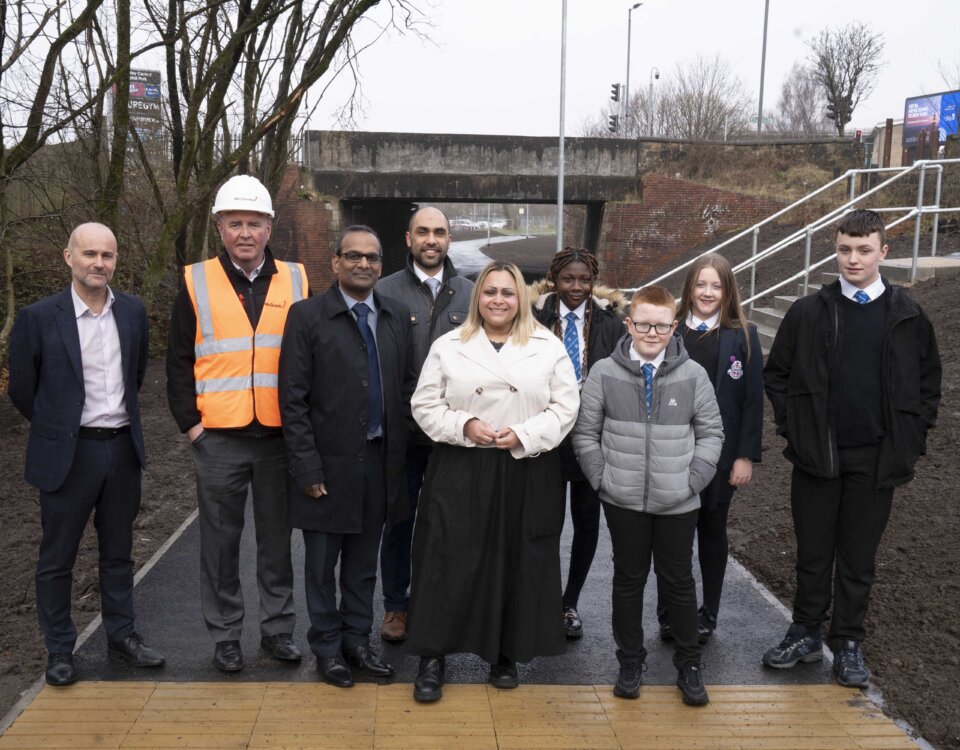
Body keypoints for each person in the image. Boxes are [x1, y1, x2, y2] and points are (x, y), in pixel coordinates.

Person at [762, 209, 941, 688]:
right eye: (844, 249)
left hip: (877, 459)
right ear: (835, 250)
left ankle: (848, 642)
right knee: (813, 551)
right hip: (818, 455)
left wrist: (913, 438)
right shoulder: (808, 312)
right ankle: (804, 633)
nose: (853, 259)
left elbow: (929, 385)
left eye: (864, 250)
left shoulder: (907, 315)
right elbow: (776, 375)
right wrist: (793, 427)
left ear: (884, 252)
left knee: (859, 556)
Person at [406, 261, 580, 702]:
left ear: (520, 297)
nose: (498, 300)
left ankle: (505, 651)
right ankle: (433, 655)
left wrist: (524, 433)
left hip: (524, 465)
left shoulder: (548, 345)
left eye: (507, 292)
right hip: (461, 464)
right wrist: (464, 425)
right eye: (489, 292)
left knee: (515, 558)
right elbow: (424, 405)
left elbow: (566, 407)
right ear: (476, 298)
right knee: (445, 560)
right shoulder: (449, 344)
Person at [8, 222, 165, 686]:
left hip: (120, 451)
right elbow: (22, 389)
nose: (99, 263)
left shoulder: (133, 312)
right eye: (90, 254)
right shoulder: (38, 318)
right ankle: (60, 650)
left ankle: (122, 635)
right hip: (66, 456)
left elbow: (135, 377)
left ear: (116, 261)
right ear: (68, 257)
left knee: (119, 552)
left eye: (108, 255)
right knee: (57, 558)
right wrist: (57, 428)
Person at [166, 175, 309, 672]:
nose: (244, 233)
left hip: (276, 437)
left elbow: (309, 357)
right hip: (218, 439)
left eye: (253, 223)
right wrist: (192, 427)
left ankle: (278, 631)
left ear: (269, 227)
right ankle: (226, 635)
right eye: (234, 224)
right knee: (220, 543)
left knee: (276, 542)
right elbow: (178, 359)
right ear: (220, 228)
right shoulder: (195, 279)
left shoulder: (297, 279)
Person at [573, 285, 723, 707]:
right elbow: (586, 433)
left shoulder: (693, 375)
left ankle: (689, 664)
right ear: (629, 324)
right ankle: (630, 661)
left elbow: (712, 432)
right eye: (643, 324)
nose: (651, 332)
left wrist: (693, 481)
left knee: (678, 582)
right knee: (628, 581)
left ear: (674, 326)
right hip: (622, 501)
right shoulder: (604, 372)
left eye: (661, 325)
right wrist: (602, 479)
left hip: (678, 501)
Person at [278, 225, 415, 688]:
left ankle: (357, 642)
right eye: (353, 256)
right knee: (320, 568)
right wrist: (307, 467)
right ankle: (327, 650)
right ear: (335, 262)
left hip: (379, 464)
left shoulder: (395, 316)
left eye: (372, 258)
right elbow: (292, 399)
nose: (363, 265)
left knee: (362, 567)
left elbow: (405, 392)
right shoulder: (307, 317)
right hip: (327, 469)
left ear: (382, 264)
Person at [375, 206, 473, 643]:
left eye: (439, 232)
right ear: (408, 238)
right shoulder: (383, 292)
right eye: (422, 232)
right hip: (401, 433)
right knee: (399, 521)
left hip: (455, 435)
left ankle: (444, 605)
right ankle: (396, 607)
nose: (431, 240)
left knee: (453, 524)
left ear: (449, 239)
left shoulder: (472, 294)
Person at [657, 254, 763, 643]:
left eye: (716, 286)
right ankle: (669, 610)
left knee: (712, 532)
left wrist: (744, 455)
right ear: (688, 288)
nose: (707, 292)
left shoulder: (743, 336)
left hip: (720, 456)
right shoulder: (670, 332)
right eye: (701, 284)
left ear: (727, 290)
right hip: (673, 453)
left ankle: (708, 612)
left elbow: (752, 399)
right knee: (672, 536)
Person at [530, 247, 625, 639]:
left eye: (584, 280)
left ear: (593, 281)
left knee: (587, 525)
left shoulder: (610, 324)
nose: (576, 287)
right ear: (554, 279)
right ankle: (542, 599)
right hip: (547, 438)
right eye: (568, 279)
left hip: (592, 440)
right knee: (544, 524)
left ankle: (570, 603)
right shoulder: (532, 318)